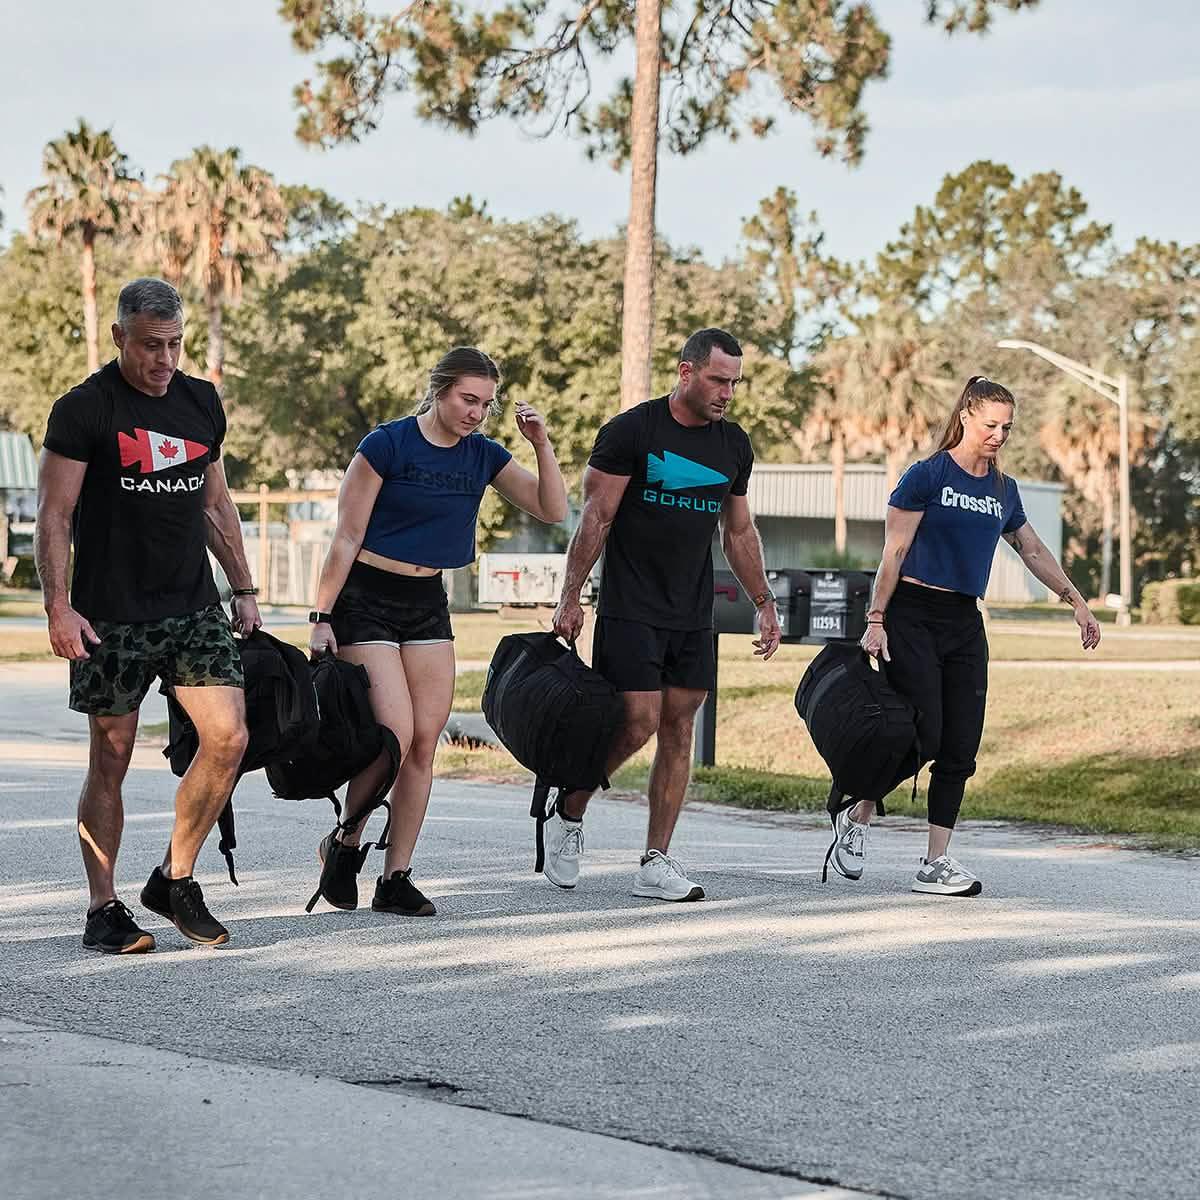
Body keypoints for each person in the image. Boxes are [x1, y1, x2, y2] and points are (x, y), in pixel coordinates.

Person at [36, 277, 262, 953]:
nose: (165, 359)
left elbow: (214, 503)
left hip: (191, 603)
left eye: (175, 344)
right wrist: (58, 605)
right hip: (112, 614)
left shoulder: (200, 401)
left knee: (229, 739)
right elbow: (56, 513)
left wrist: (244, 587)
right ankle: (103, 909)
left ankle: (176, 877)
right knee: (112, 755)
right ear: (119, 338)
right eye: (150, 346)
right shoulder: (85, 409)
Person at [307, 346, 567, 915]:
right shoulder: (386, 445)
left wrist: (540, 444)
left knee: (425, 741)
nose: (476, 412)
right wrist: (321, 617)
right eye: (467, 399)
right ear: (440, 391)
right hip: (366, 597)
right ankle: (346, 843)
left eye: (486, 404)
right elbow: (346, 538)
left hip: (427, 600)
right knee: (393, 733)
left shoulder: (484, 456)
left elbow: (552, 508)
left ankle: (395, 876)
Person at [829, 375, 1102, 895]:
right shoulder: (927, 476)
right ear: (966, 417)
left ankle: (936, 862)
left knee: (960, 744)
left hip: (962, 620)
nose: (999, 434)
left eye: (1008, 427)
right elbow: (894, 553)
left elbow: (1034, 551)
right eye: (991, 424)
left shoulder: (1004, 489)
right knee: (922, 732)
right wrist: (876, 619)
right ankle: (857, 813)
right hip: (911, 613)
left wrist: (1076, 601)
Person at [549, 328, 781, 902]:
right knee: (638, 720)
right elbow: (596, 519)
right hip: (631, 604)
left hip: (691, 609)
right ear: (686, 372)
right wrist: (570, 596)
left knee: (680, 726)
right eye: (718, 379)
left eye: (735, 383)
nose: (727, 392)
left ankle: (657, 859)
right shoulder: (633, 431)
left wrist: (764, 601)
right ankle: (569, 809)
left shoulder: (734, 445)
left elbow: (738, 530)